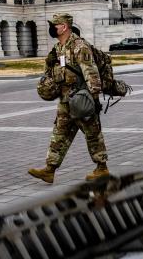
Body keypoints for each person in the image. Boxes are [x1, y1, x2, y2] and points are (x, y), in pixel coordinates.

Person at [28, 13, 110, 183]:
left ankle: (102, 168)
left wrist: (93, 100)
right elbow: (54, 72)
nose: (52, 28)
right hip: (66, 100)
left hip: (81, 98)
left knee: (92, 133)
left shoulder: (80, 46)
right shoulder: (59, 48)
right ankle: (49, 169)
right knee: (59, 133)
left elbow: (91, 73)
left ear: (64, 27)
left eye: (55, 25)